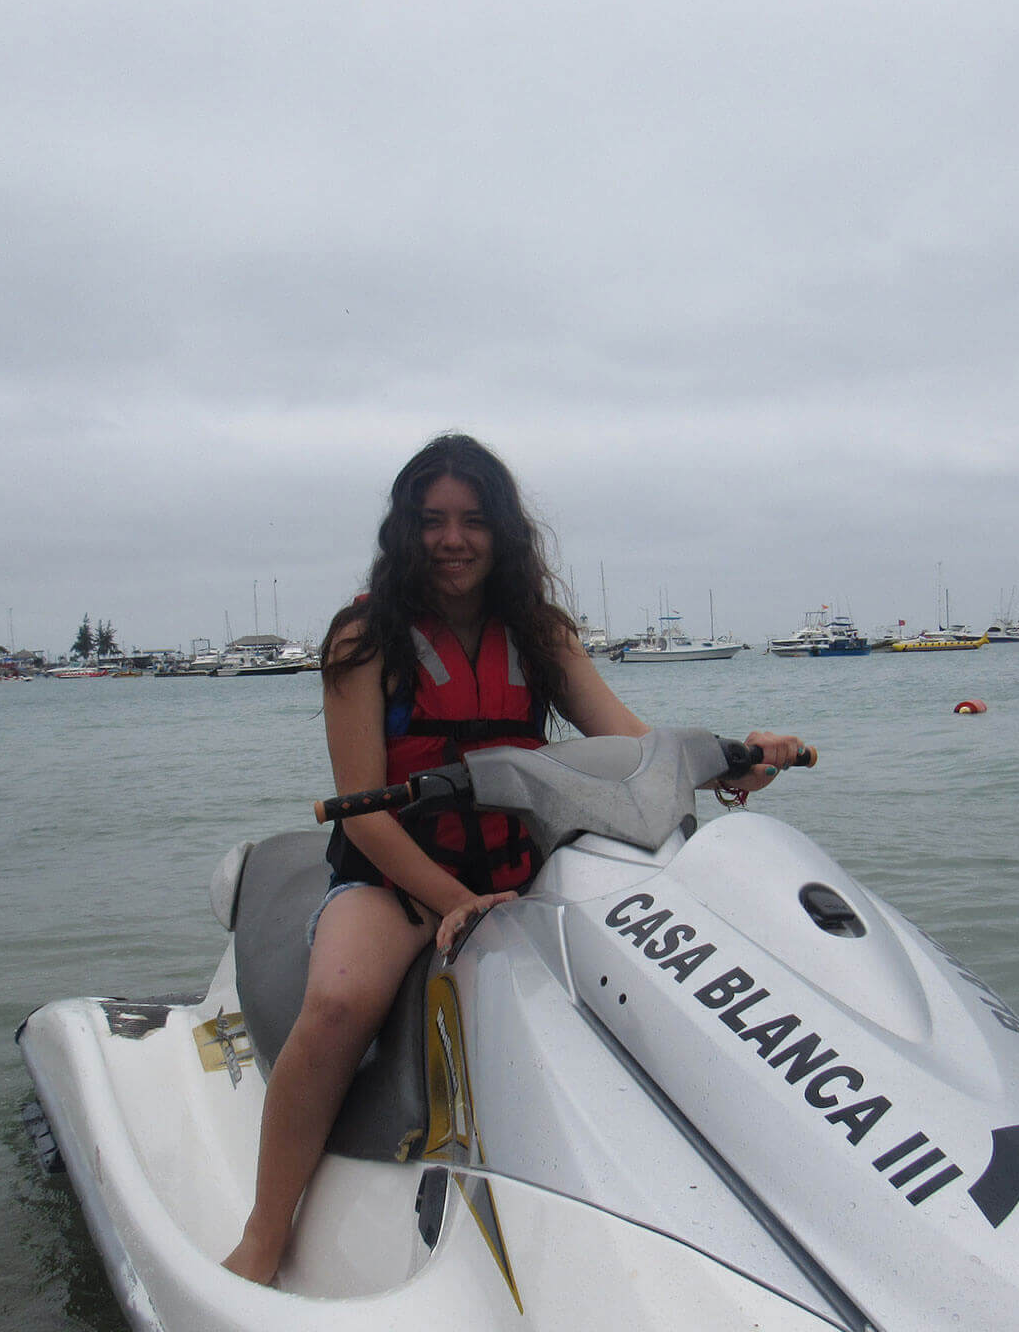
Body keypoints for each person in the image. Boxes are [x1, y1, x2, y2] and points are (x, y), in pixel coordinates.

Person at [222, 433, 805, 1284]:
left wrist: (734, 764)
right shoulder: (363, 638)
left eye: (473, 520)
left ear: (503, 531)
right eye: (432, 521)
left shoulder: (539, 633)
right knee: (341, 1003)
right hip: (398, 881)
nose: (453, 540)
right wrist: (452, 899)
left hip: (519, 868)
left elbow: (632, 749)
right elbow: (366, 811)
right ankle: (263, 1237)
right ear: (405, 530)